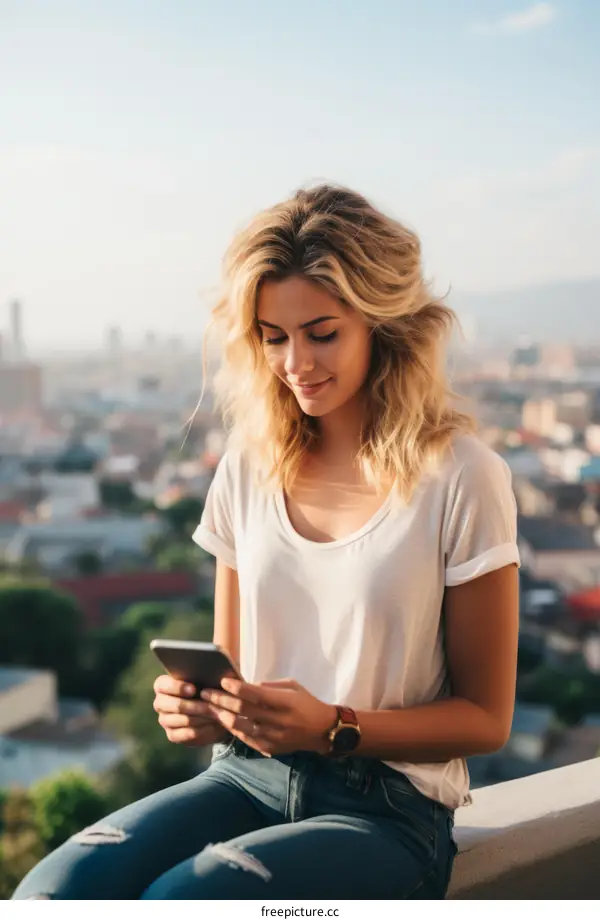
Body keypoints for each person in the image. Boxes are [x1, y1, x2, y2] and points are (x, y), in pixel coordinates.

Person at [14, 184, 520, 900]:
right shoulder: (250, 468)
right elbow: (237, 675)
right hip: (243, 776)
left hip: (384, 813)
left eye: (322, 332)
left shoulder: (465, 477)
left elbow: (486, 718)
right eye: (273, 337)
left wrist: (332, 727)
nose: (295, 364)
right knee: (52, 893)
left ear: (383, 321)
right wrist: (199, 708)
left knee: (180, 904)